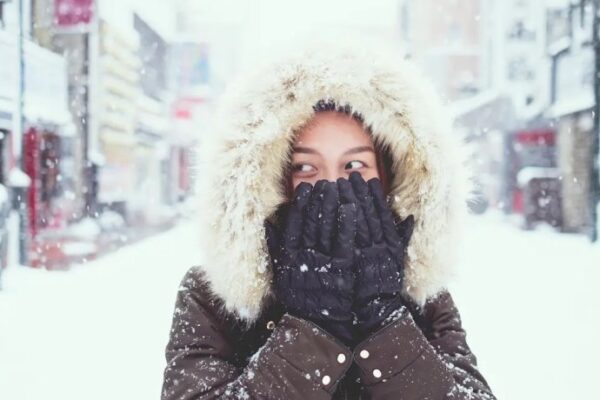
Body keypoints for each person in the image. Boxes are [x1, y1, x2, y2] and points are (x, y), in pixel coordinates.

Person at [161, 41, 497, 399]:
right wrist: (311, 329)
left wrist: (384, 321)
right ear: (273, 181)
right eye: (306, 167)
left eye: (355, 166)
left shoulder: (425, 299)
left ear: (389, 179)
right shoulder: (212, 297)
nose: (333, 186)